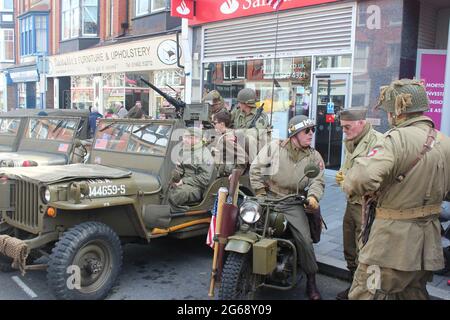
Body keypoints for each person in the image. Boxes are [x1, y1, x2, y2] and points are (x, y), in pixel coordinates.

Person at [342, 79, 450, 300]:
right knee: (412, 294)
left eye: (389, 111)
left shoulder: (396, 139)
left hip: (391, 243)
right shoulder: (444, 141)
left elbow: (358, 180)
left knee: (365, 293)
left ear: (398, 112)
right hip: (426, 243)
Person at [250, 115, 326, 300]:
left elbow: (318, 180)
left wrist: (313, 197)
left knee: (305, 240)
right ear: (294, 134)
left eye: (312, 130)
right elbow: (256, 169)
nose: (311, 134)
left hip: (293, 201)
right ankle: (236, 267)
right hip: (269, 197)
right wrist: (260, 193)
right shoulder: (274, 147)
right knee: (247, 225)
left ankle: (311, 280)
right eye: (307, 131)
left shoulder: (314, 156)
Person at [334, 107, 383, 300]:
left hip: (367, 206)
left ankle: (370, 293)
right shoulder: (352, 141)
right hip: (351, 203)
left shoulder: (377, 142)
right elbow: (350, 166)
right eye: (342, 127)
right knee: (350, 250)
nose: (344, 131)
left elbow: (376, 177)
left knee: (367, 253)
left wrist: (348, 180)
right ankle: (353, 287)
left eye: (347, 127)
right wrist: (343, 176)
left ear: (361, 123)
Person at [168, 127, 215, 210]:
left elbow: (204, 179)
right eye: (184, 137)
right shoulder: (186, 149)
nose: (184, 140)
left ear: (197, 139)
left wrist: (183, 181)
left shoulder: (205, 155)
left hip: (196, 187)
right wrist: (175, 178)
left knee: (178, 194)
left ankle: (166, 213)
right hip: (182, 182)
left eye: (188, 137)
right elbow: (181, 168)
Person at [211, 111, 248, 177]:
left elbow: (243, 157)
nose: (214, 125)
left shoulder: (227, 138)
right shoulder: (223, 135)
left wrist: (235, 174)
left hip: (226, 175)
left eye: (215, 123)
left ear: (222, 124)